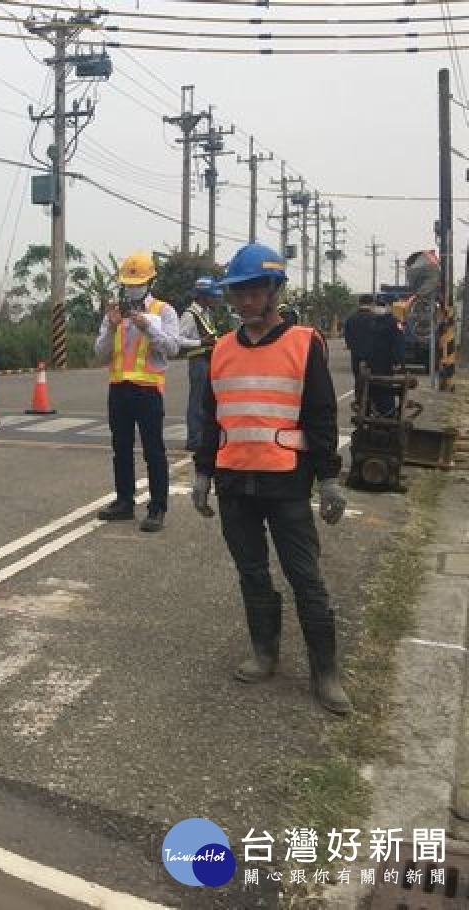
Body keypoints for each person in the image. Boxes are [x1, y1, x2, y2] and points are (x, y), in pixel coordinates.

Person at [190, 242, 350, 716]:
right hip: (235, 482)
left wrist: (329, 479)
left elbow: (321, 416)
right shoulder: (221, 349)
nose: (244, 301)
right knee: (252, 573)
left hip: (286, 482)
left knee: (305, 577)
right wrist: (202, 472)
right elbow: (211, 416)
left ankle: (326, 671)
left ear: (275, 290)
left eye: (254, 291)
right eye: (237, 292)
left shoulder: (303, 343)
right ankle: (265, 652)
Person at [94, 251, 180, 532]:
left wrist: (147, 328)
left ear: (150, 282)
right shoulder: (115, 313)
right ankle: (124, 502)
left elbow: (172, 347)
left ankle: (157, 507)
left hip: (148, 390)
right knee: (121, 449)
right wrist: (110, 326)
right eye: (128, 283)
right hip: (119, 389)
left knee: (154, 450)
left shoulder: (162, 311)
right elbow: (100, 353)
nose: (132, 288)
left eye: (138, 282)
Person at [178, 276, 223, 452]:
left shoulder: (207, 313)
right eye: (213, 296)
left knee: (207, 401)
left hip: (209, 360)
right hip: (198, 361)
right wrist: (200, 343)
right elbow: (179, 340)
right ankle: (194, 439)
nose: (216, 299)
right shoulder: (190, 315)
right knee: (197, 401)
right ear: (203, 296)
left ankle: (203, 436)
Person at [342, 294, 376, 407]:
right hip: (372, 354)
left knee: (358, 377)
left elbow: (347, 335)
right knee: (373, 378)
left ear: (359, 303)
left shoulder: (351, 318)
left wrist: (351, 346)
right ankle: (371, 399)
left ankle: (358, 399)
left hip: (356, 353)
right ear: (371, 304)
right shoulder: (375, 318)